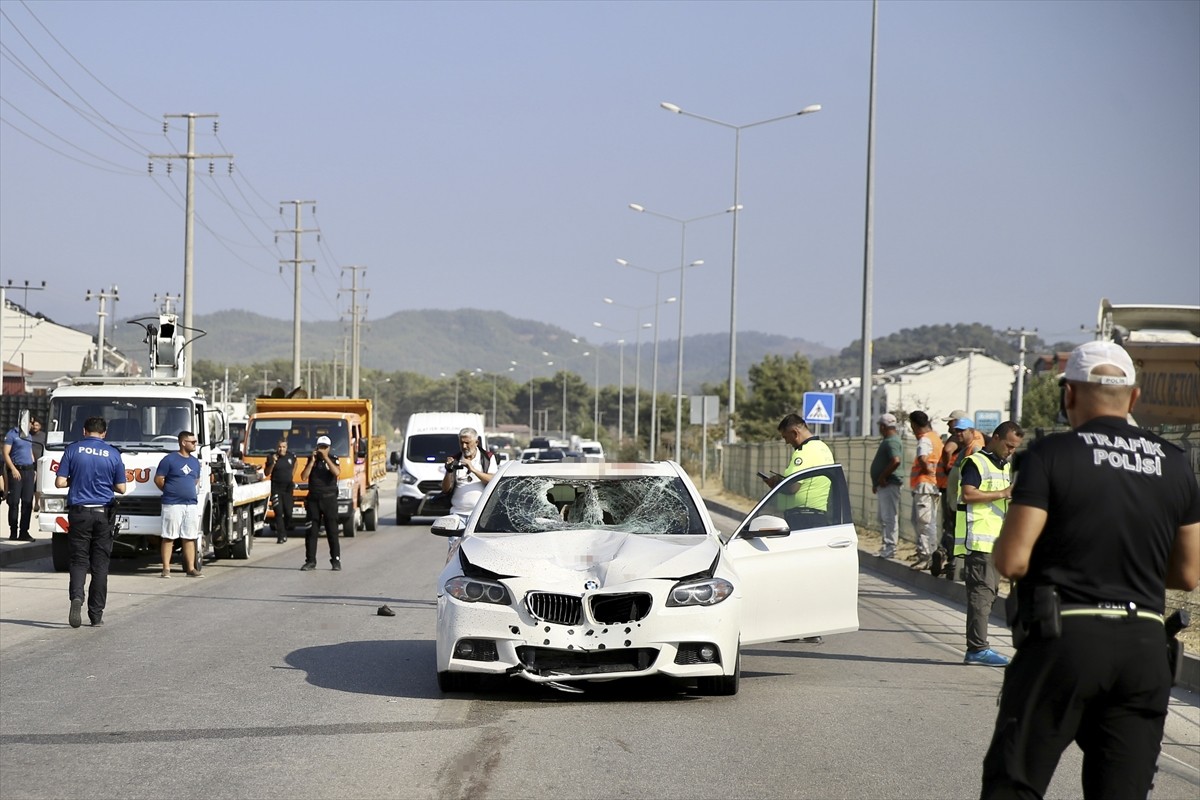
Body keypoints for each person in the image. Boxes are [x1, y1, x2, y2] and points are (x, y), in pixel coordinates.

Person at [981, 341, 1200, 799]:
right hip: (1144, 646)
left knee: (1014, 783)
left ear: (1069, 395)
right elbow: (1188, 574)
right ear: (1134, 398)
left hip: (1066, 639)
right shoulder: (1176, 464)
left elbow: (1011, 560)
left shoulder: (1050, 455)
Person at [955, 420, 1023, 666]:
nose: (1011, 451)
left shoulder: (1004, 464)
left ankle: (978, 648)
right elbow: (968, 494)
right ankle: (977, 649)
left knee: (988, 594)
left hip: (996, 541)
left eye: (1015, 448)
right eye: (1008, 445)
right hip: (980, 541)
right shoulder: (976, 462)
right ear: (995, 437)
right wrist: (1004, 493)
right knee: (982, 596)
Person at [54, 416, 127, 628]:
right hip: (103, 514)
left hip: (79, 513)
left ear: (84, 431)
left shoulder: (73, 450)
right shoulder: (113, 453)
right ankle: (96, 615)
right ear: (104, 433)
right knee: (100, 564)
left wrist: (75, 480)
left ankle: (76, 598)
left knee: (78, 560)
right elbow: (121, 488)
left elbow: (59, 482)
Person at [760, 414, 835, 513]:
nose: (787, 442)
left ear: (795, 433)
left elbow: (792, 487)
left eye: (786, 437)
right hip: (818, 514)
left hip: (802, 516)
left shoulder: (804, 452)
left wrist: (775, 483)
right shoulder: (823, 448)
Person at [154, 430, 203, 578]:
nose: (195, 444)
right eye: (192, 442)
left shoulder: (195, 462)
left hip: (191, 504)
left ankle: (191, 568)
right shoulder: (169, 460)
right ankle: (166, 569)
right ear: (183, 443)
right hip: (172, 504)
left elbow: (195, 480)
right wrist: (170, 491)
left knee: (190, 536)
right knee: (169, 536)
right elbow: (158, 479)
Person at [441, 427, 495, 553]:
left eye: (467, 443)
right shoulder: (454, 459)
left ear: (476, 442)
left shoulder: (487, 458)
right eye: (461, 443)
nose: (464, 446)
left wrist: (474, 470)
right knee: (454, 552)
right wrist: (449, 470)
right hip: (457, 514)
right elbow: (445, 489)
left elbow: (492, 480)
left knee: (478, 551)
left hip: (479, 516)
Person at [908, 410, 943, 570]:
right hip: (934, 485)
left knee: (923, 523)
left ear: (914, 425)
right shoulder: (936, 438)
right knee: (930, 522)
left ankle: (926, 556)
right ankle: (931, 554)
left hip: (924, 485)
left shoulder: (924, 440)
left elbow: (922, 458)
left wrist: (928, 470)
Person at [300, 435, 341, 571]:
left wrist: (326, 458)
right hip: (314, 499)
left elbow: (336, 472)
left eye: (325, 447)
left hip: (329, 499)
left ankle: (335, 560)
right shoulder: (312, 460)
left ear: (329, 448)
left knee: (332, 531)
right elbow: (304, 476)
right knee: (311, 531)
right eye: (320, 447)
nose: (322, 450)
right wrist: (312, 462)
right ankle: (310, 561)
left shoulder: (333, 459)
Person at [869, 413, 903, 558]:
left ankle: (890, 547)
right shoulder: (890, 440)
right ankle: (887, 545)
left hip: (889, 483)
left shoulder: (891, 442)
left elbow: (895, 460)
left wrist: (882, 476)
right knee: (885, 517)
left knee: (889, 517)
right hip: (885, 484)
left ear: (883, 426)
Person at [4, 414, 42, 541]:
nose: (31, 424)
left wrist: (34, 468)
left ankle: (24, 531)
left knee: (27, 502)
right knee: (14, 502)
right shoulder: (12, 434)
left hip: (28, 471)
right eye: (30, 422)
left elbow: (29, 451)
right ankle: (13, 531)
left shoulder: (28, 435)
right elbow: (6, 453)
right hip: (17, 471)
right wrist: (13, 469)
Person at [264, 439, 297, 543]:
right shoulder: (271, 457)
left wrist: (292, 475)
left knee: (288, 512)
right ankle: (281, 536)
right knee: (278, 512)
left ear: (286, 448)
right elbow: (266, 472)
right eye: (279, 447)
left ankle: (285, 529)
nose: (281, 449)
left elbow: (295, 464)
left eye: (283, 447)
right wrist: (273, 463)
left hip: (288, 488)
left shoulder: (291, 456)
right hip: (276, 488)